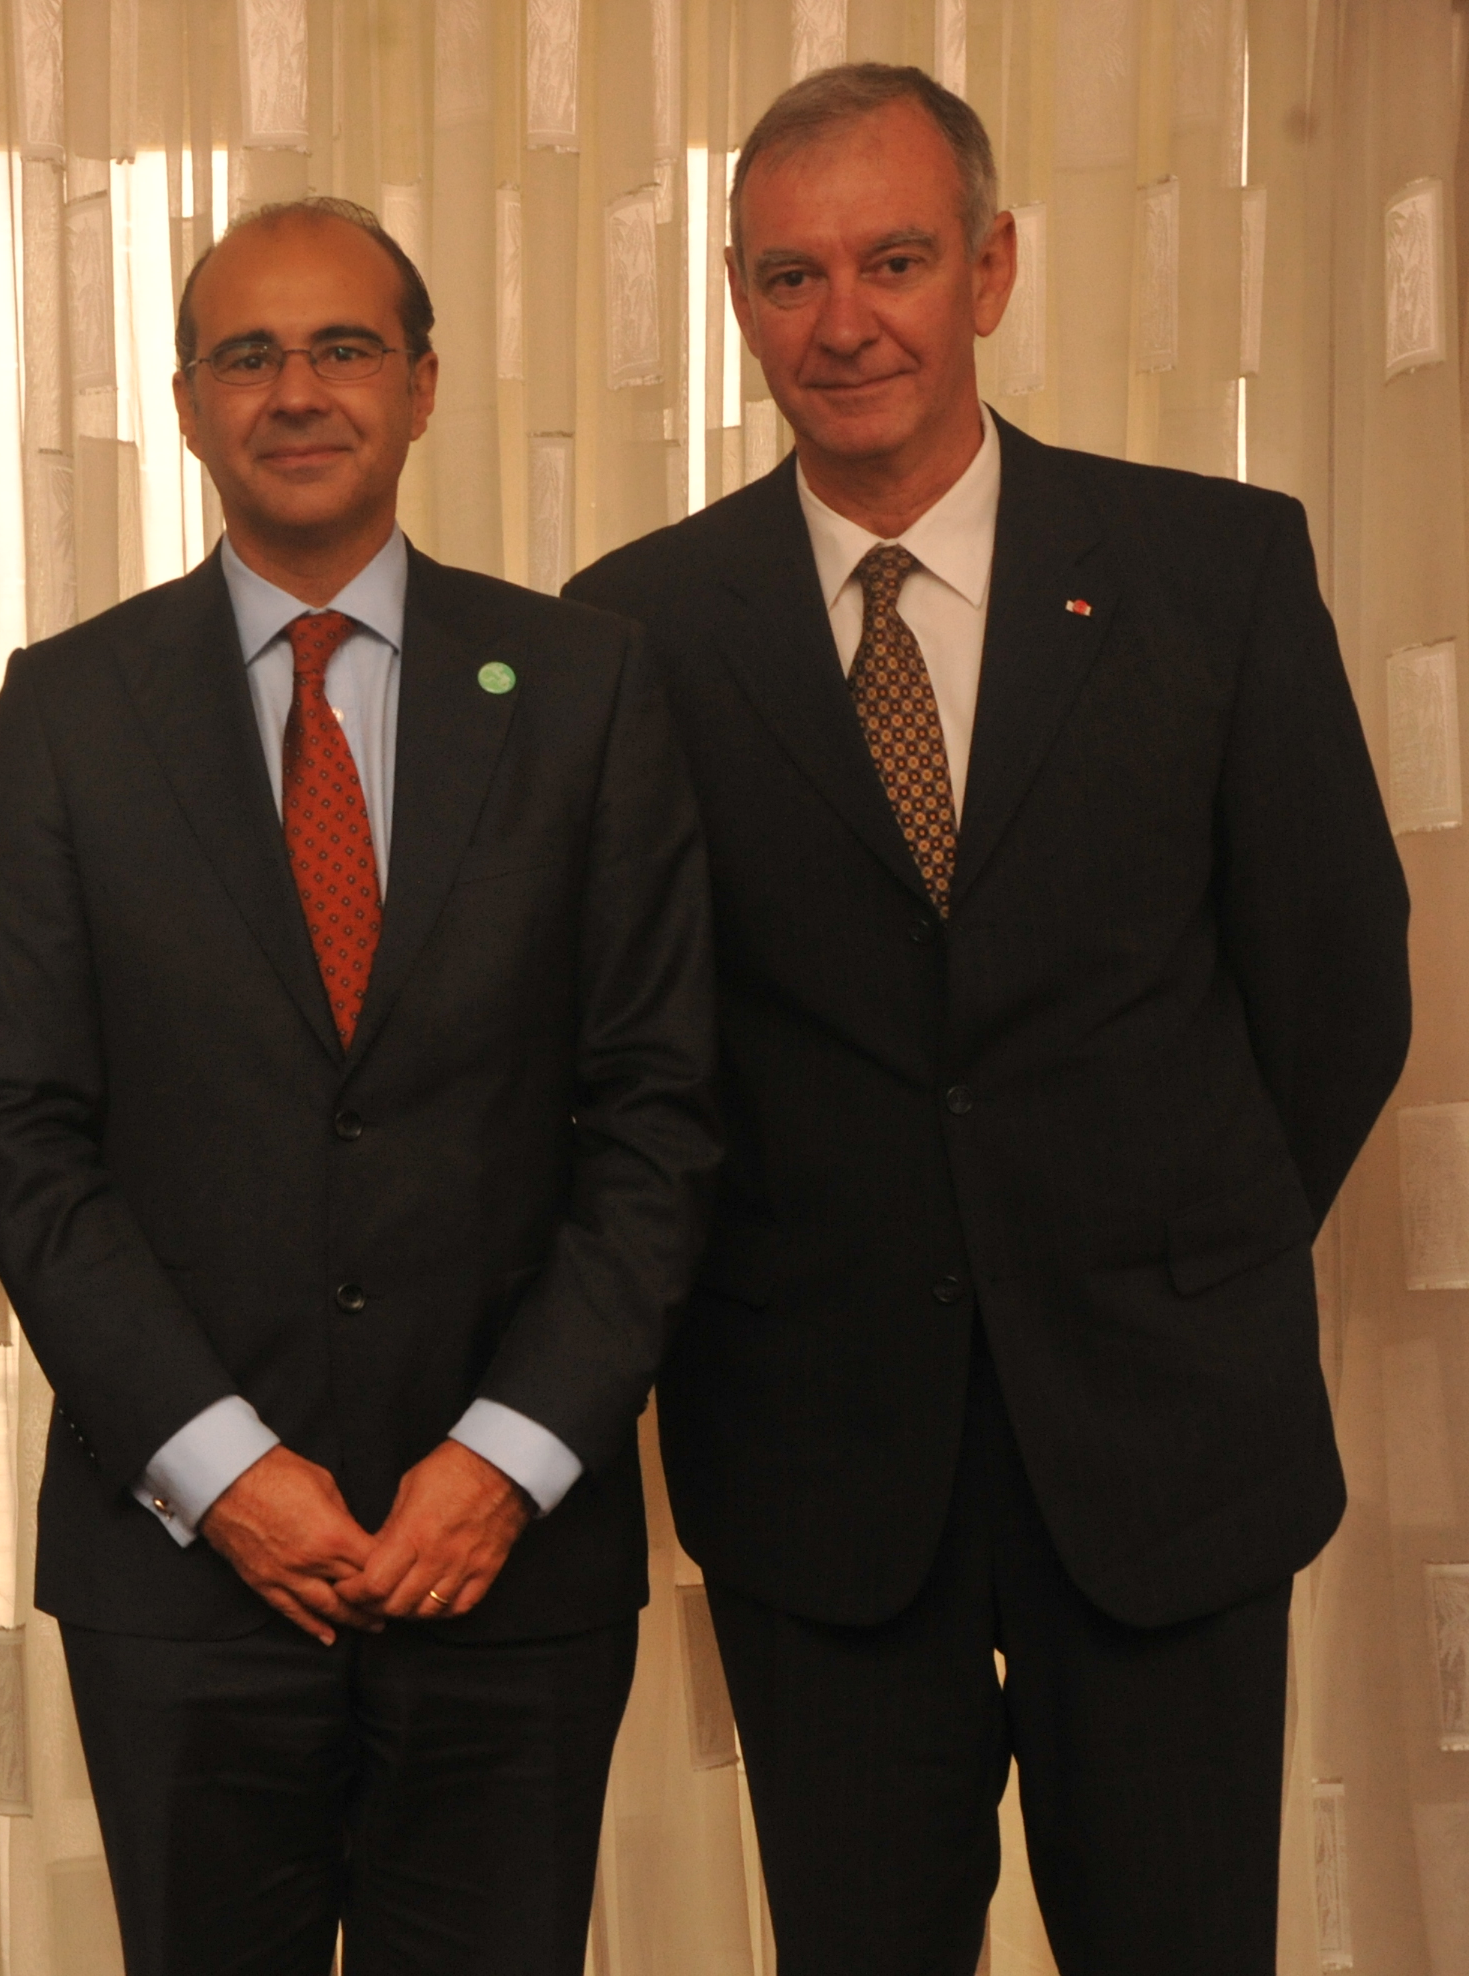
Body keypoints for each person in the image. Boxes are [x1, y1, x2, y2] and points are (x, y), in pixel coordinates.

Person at [567, 65, 1410, 1975]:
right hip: (821, 1459)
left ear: (993, 270)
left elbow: (1337, 976)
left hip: (1169, 1439)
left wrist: (1187, 1237)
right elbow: (630, 1053)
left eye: (893, 260)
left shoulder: (1218, 568)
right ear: (734, 297)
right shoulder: (634, 635)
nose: (842, 319)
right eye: (790, 275)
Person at [0, 197, 719, 1975]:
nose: (297, 391)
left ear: (425, 384)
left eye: (344, 347)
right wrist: (225, 1474)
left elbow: (660, 1113)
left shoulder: (587, 690)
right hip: (186, 1580)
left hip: (511, 1565)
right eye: (249, 354)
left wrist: (505, 1461)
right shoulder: (66, 711)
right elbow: (27, 1134)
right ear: (188, 400)